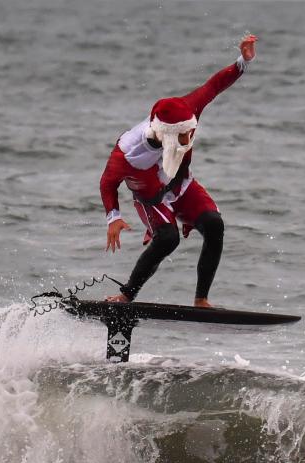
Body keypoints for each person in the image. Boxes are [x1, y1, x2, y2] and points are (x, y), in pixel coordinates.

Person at [99, 34, 258, 308]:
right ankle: (127, 295)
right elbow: (107, 182)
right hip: (152, 198)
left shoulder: (187, 110)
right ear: (163, 133)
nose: (187, 141)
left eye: (189, 133)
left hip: (181, 186)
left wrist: (242, 61)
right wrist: (113, 217)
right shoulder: (128, 152)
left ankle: (201, 299)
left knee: (214, 225)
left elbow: (214, 86)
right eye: (181, 137)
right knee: (168, 239)